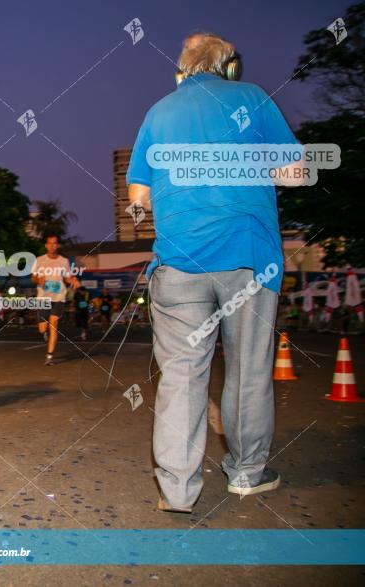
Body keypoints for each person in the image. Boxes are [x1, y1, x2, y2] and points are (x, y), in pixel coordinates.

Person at [127, 33, 303, 512]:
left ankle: (177, 491)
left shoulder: (158, 112)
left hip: (181, 261)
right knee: (248, 370)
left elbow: (138, 197)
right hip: (250, 256)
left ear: (181, 71)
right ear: (228, 67)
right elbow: (294, 172)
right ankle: (247, 473)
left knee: (181, 377)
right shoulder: (252, 98)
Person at [32, 235, 77, 366]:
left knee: (53, 323)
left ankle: (49, 356)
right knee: (42, 328)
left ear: (58, 246)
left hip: (58, 297)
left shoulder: (64, 261)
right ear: (46, 245)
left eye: (55, 243)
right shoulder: (39, 260)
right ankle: (44, 333)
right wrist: (38, 280)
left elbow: (67, 278)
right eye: (49, 243)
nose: (52, 245)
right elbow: (33, 277)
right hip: (43, 297)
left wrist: (73, 280)